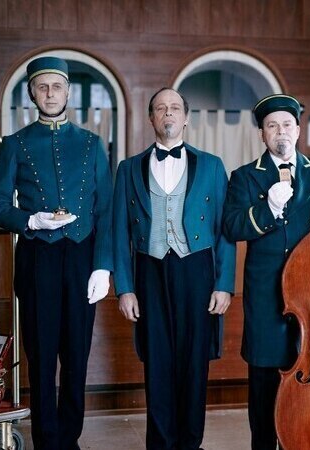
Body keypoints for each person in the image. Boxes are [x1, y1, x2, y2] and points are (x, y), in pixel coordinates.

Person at [222, 94, 310, 450]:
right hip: (267, 297)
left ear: (299, 130)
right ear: (262, 134)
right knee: (264, 387)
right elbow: (232, 227)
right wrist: (268, 209)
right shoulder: (244, 177)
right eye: (272, 126)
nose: (280, 131)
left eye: (287, 124)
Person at [0, 56, 113, 450]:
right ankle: (46, 441)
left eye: (57, 87)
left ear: (68, 92)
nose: (50, 94)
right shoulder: (15, 144)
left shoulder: (92, 144)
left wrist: (103, 266)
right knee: (40, 359)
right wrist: (30, 220)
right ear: (32, 93)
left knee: (76, 358)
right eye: (42, 87)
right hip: (37, 259)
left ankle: (69, 440)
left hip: (81, 259)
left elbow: (106, 211)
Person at [112, 87, 235, 450]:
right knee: (157, 361)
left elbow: (224, 231)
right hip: (148, 269)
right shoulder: (128, 168)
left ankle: (190, 443)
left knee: (195, 363)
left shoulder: (212, 165)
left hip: (197, 269)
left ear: (185, 118)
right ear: (151, 118)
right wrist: (125, 288)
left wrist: (224, 284)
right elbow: (118, 232)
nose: (168, 113)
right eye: (161, 108)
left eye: (175, 108)